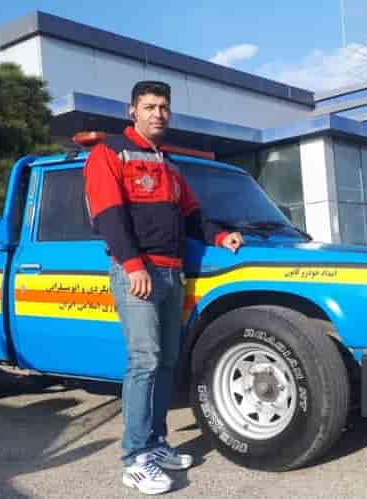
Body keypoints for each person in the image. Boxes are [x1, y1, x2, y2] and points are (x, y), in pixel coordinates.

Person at [84, 80, 244, 495]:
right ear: (132, 111)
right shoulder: (110, 153)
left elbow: (191, 214)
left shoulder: (168, 164)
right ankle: (135, 458)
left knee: (167, 362)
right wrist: (132, 264)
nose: (158, 113)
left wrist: (219, 235)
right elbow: (108, 215)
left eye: (164, 107)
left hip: (172, 274)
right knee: (145, 360)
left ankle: (155, 443)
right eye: (150, 106)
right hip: (138, 273)